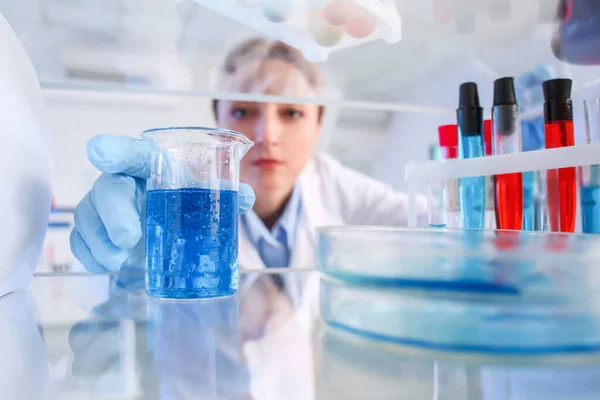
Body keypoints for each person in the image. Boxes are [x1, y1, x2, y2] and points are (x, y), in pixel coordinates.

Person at [70, 38, 427, 276]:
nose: (265, 135)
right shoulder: (174, 193)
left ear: (319, 125)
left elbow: (436, 224)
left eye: (291, 113)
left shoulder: (335, 184)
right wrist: (120, 267)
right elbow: (95, 297)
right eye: (243, 112)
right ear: (218, 121)